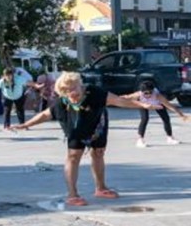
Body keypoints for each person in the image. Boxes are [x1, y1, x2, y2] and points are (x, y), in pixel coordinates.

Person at [11, 72, 158, 207]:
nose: (71, 93)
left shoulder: (94, 92)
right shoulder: (62, 102)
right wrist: (26, 124)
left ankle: (101, 188)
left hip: (96, 124)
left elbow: (119, 101)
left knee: (98, 152)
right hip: (75, 124)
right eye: (66, 91)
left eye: (73, 88)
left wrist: (143, 104)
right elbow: (45, 115)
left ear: (80, 85)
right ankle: (72, 194)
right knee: (73, 156)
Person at [122, 80, 187, 148]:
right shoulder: (138, 94)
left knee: (166, 118)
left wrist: (181, 115)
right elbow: (126, 97)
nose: (148, 95)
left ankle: (170, 138)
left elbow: (169, 105)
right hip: (144, 104)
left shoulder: (157, 95)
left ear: (153, 91)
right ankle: (140, 139)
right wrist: (113, 99)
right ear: (142, 92)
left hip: (157, 104)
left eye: (150, 92)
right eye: (146, 93)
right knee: (144, 119)